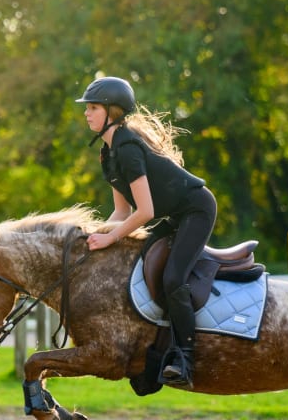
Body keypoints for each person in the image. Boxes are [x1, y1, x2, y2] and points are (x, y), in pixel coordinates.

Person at [77, 75, 217, 390]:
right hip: (177, 214)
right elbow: (121, 213)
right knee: (138, 266)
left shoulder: (126, 148)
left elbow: (146, 213)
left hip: (196, 210)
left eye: (93, 107)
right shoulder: (107, 153)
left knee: (172, 279)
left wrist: (109, 238)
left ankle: (185, 357)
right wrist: (91, 237)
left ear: (112, 112)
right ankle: (154, 358)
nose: (87, 113)